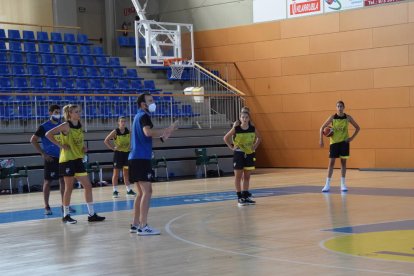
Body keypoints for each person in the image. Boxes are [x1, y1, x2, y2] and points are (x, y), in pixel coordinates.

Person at [46, 104, 105, 224]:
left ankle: (91, 214)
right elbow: (48, 134)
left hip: (78, 159)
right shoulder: (65, 125)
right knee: (69, 188)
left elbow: (77, 141)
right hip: (67, 159)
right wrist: (61, 145)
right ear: (70, 114)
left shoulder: (79, 125)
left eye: (79, 111)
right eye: (76, 112)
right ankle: (66, 215)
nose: (79, 113)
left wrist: (82, 147)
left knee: (88, 186)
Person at [129, 93, 178, 235]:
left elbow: (147, 139)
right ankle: (143, 226)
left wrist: (163, 137)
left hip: (134, 158)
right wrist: (166, 130)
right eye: (150, 101)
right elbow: (148, 133)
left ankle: (135, 224)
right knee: (147, 192)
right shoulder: (144, 117)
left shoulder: (137, 117)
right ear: (143, 104)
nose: (153, 102)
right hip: (141, 159)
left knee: (140, 193)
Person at [30, 104, 75, 215]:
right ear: (50, 113)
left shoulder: (62, 125)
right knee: (48, 182)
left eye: (59, 112)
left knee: (63, 181)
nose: (58, 114)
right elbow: (33, 140)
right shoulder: (44, 126)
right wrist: (43, 154)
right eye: (55, 112)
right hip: (51, 158)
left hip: (62, 157)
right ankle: (46, 206)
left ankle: (64, 205)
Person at [319, 100, 360, 193]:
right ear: (336, 108)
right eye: (338, 106)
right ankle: (327, 184)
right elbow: (322, 128)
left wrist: (351, 138)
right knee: (331, 163)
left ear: (344, 107)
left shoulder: (348, 118)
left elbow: (358, 128)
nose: (339, 108)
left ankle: (343, 184)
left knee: (343, 163)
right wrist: (321, 140)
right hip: (334, 143)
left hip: (344, 143)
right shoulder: (332, 117)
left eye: (341, 106)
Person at [224, 111, 261, 206]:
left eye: (246, 117)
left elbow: (259, 138)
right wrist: (231, 147)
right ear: (240, 119)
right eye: (243, 117)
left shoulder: (252, 128)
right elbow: (225, 138)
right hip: (239, 154)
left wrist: (255, 146)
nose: (244, 119)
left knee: (247, 177)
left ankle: (245, 195)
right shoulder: (236, 129)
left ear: (249, 119)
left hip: (249, 154)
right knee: (238, 177)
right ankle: (239, 197)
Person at [104, 116, 136, 198]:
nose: (123, 123)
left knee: (126, 174)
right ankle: (114, 191)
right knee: (116, 174)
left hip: (126, 154)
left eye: (124, 121)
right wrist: (113, 148)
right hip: (118, 154)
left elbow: (133, 140)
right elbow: (106, 140)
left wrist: (131, 146)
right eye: (121, 121)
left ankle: (128, 190)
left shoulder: (128, 131)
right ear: (118, 122)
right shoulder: (115, 131)